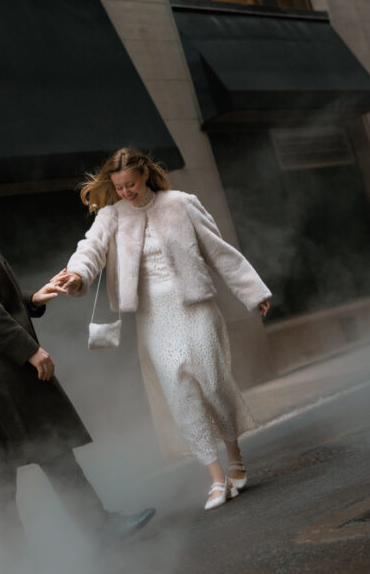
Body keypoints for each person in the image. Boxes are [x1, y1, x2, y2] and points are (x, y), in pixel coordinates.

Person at [0, 154, 155, 556]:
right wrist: (29, 350)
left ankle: (20, 567)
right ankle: (99, 531)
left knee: (1, 476)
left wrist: (30, 299)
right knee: (50, 452)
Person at [56, 148, 271, 511]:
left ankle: (235, 456)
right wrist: (76, 274)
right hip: (153, 318)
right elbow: (89, 249)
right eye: (119, 187)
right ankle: (216, 478)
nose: (126, 192)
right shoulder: (111, 217)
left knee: (214, 381)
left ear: (145, 175)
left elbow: (218, 251)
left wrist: (253, 291)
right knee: (180, 392)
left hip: (196, 307)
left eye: (132, 184)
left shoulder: (181, 203)